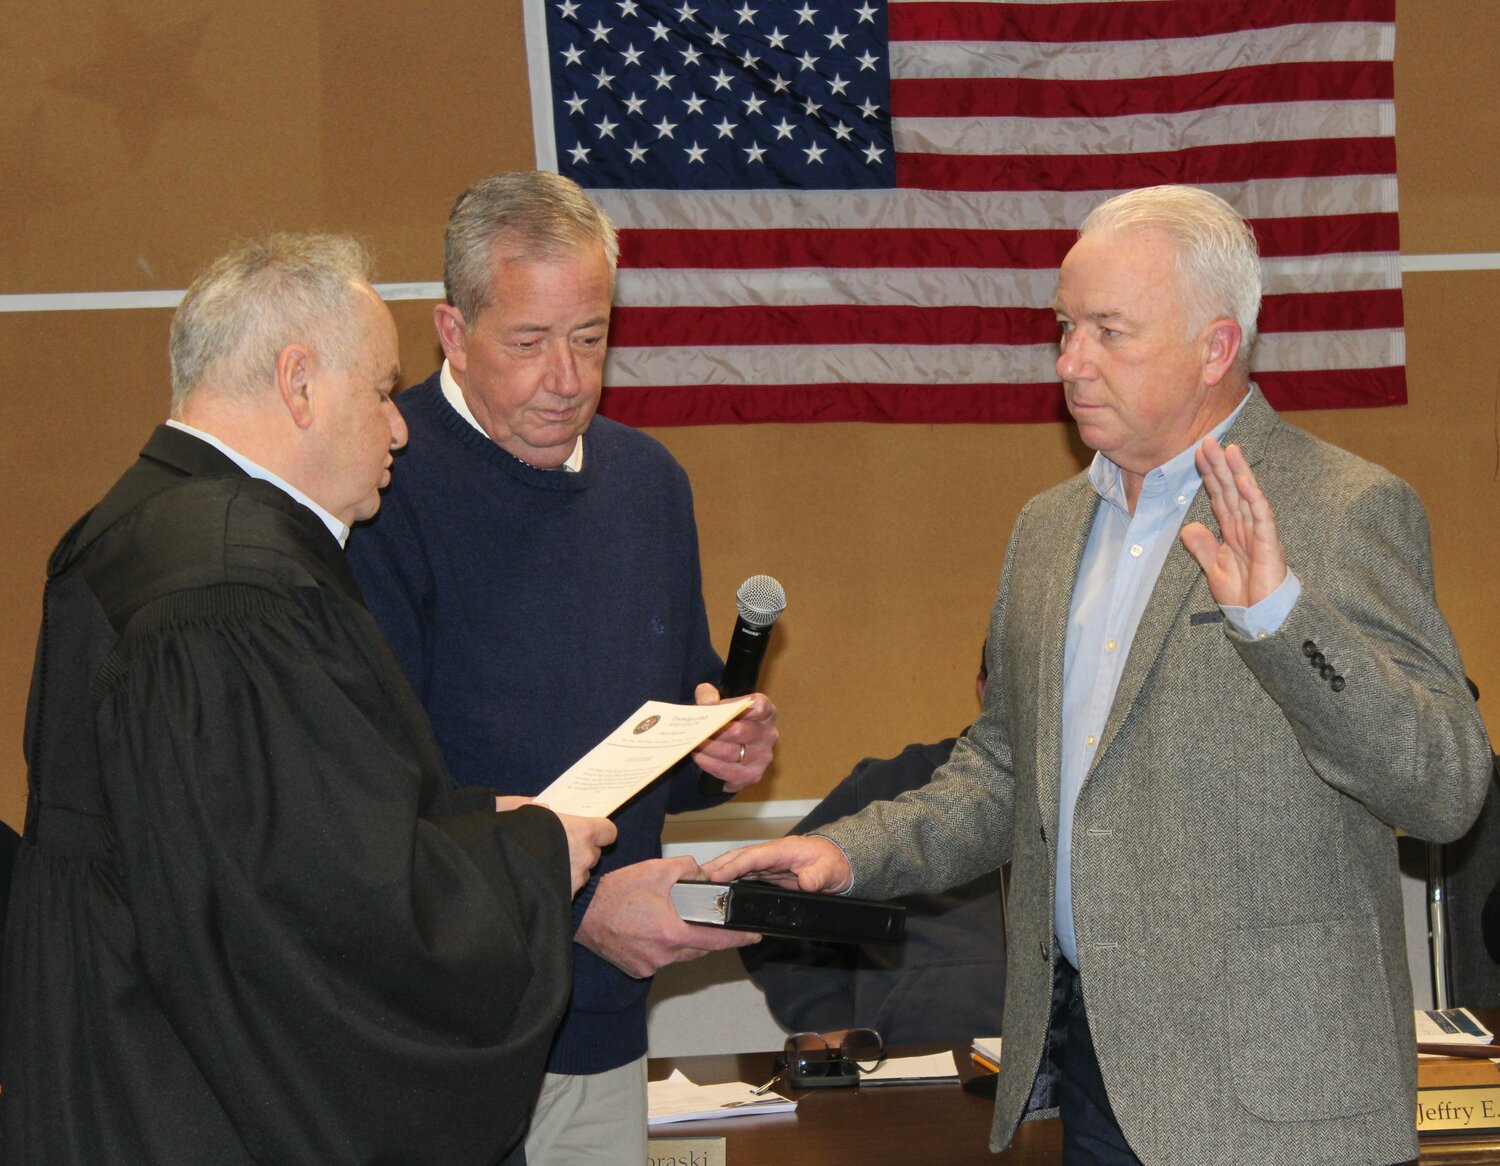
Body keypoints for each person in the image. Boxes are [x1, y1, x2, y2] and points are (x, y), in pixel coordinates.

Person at [705, 186, 1494, 1166]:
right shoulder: (1048, 532)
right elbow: (1000, 775)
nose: (1070, 362)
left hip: (1283, 1097)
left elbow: (1445, 787)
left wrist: (1279, 617)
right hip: (1092, 1073)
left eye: (1109, 332)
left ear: (1215, 348)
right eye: (1065, 328)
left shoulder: (1343, 509)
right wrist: (852, 854)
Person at [0, 234, 616, 1166]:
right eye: (379, 392)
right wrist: (531, 860)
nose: (400, 427)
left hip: (115, 1066)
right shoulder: (226, 591)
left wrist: (465, 823)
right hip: (194, 1106)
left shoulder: (136, 529)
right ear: (298, 384)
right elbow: (318, 903)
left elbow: (251, 835)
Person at [344, 171, 779, 1166]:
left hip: (601, 1025)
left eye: (590, 338)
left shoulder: (648, 484)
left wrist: (718, 751)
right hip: (437, 1033)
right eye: (529, 343)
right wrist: (575, 904)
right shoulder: (382, 486)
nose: (568, 378)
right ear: (453, 333)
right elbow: (376, 797)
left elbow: (657, 742)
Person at [740, 655, 1006, 1044]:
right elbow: (767, 905)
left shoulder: (1098, 801)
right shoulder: (891, 784)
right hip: (911, 1062)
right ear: (983, 689)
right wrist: (828, 1017)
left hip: (1073, 1072)